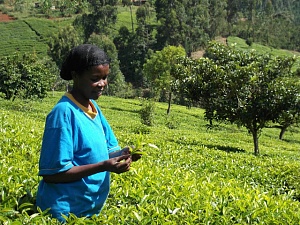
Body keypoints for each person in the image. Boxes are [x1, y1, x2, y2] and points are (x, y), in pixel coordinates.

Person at [36, 44, 141, 222]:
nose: (102, 84)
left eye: (105, 77)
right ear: (76, 76)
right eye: (95, 78)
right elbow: (52, 173)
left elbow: (108, 151)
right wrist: (103, 166)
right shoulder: (63, 113)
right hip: (64, 213)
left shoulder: (94, 108)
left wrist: (125, 154)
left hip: (89, 210)